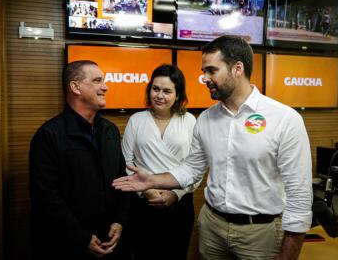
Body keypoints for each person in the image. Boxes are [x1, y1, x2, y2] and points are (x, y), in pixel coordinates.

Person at [113, 35, 313, 260]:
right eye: (203, 71)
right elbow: (191, 169)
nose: (204, 78)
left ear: (237, 68)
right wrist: (153, 180)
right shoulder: (207, 119)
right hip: (211, 229)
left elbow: (299, 193)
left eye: (211, 70)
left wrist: (289, 254)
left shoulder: (284, 118)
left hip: (260, 234)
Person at [29, 60, 131, 260]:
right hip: (68, 246)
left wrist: (120, 221)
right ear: (75, 87)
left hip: (111, 241)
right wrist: (81, 237)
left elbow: (122, 179)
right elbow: (46, 198)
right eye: (97, 81)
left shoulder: (110, 130)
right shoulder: (49, 135)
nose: (105, 86)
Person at [122, 64, 200, 260]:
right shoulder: (136, 120)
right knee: (143, 254)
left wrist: (176, 193)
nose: (159, 95)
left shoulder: (189, 120)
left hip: (180, 204)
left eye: (167, 91)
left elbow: (197, 165)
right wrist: (145, 191)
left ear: (177, 95)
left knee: (176, 254)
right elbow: (125, 161)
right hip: (143, 203)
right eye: (155, 89)